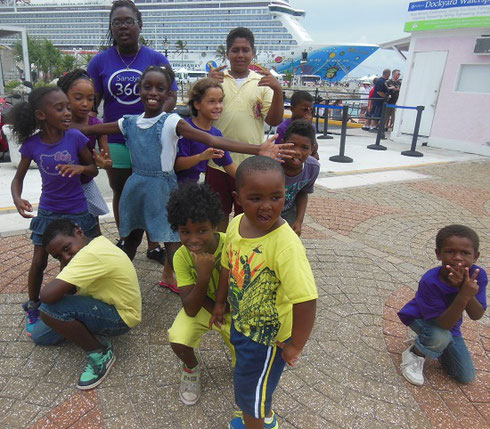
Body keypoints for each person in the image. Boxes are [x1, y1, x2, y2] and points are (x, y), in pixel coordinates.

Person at [81, 66, 293, 293]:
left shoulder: (172, 122)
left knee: (173, 238)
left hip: (163, 187)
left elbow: (214, 141)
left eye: (160, 88)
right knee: (130, 238)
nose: (153, 92)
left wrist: (257, 149)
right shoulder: (129, 122)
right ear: (139, 90)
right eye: (147, 87)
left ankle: (183, 284)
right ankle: (117, 282)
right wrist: (60, 126)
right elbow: (94, 129)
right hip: (137, 187)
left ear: (168, 94)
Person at [210, 156, 318, 429]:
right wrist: (220, 303)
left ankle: (256, 419)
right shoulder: (235, 225)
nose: (267, 206)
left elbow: (306, 300)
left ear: (286, 196)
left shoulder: (286, 246)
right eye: (256, 198)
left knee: (249, 394)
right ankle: (263, 415)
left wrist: (296, 346)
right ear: (238, 198)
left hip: (268, 340)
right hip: (242, 325)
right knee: (256, 386)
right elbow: (227, 265)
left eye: (276, 197)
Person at [87, 0, 178, 263]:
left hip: (151, 136)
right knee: (122, 189)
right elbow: (93, 105)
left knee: (153, 190)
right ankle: (125, 235)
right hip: (116, 136)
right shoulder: (99, 61)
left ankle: (154, 243)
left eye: (129, 21)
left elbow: (170, 95)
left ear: (140, 24)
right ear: (111, 27)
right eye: (117, 22)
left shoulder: (156, 58)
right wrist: (94, 139)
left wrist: (156, 121)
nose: (123, 26)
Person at [10, 86, 99, 336]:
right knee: (38, 261)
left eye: (67, 107)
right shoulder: (32, 145)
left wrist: (81, 169)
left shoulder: (75, 138)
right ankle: (34, 305)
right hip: (48, 211)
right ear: (41, 115)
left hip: (76, 211)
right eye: (59, 108)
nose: (67, 112)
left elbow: (92, 169)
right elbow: (17, 179)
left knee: (70, 264)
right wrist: (18, 198)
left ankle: (65, 306)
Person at [31, 219, 141, 390]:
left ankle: (100, 353)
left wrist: (66, 264)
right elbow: (67, 291)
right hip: (102, 304)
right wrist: (66, 262)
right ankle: (78, 326)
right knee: (41, 336)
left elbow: (46, 296)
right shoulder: (92, 246)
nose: (66, 257)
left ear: (79, 232)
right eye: (58, 256)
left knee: (49, 310)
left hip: (121, 316)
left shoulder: (91, 254)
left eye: (66, 248)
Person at [207, 27, 284, 231]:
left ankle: (243, 258)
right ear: (227, 53)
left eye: (245, 50)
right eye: (235, 50)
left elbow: (274, 119)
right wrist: (206, 85)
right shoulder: (216, 80)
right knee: (216, 218)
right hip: (217, 162)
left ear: (253, 53)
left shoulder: (263, 82)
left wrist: (278, 91)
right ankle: (217, 259)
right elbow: (200, 115)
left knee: (247, 218)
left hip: (250, 166)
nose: (240, 55)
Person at [167, 182, 235, 406]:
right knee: (177, 338)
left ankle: (242, 363)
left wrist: (224, 309)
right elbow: (190, 308)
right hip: (204, 306)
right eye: (185, 232)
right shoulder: (180, 256)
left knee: (245, 359)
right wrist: (203, 276)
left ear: (215, 225)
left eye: (202, 230)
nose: (193, 240)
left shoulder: (232, 246)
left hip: (233, 310)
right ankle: (191, 368)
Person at [398, 225, 487, 386]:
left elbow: (477, 315)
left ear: (476, 256)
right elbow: (443, 324)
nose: (458, 258)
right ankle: (415, 354)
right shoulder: (430, 281)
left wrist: (466, 291)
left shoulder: (478, 276)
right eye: (450, 252)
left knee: (465, 376)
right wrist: (463, 293)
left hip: (450, 324)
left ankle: (429, 343)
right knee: (440, 336)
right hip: (421, 318)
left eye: (465, 253)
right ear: (438, 254)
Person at [57, 69, 111, 236]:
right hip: (61, 185)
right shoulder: (57, 122)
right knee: (65, 228)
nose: (85, 104)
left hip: (85, 183)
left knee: (92, 226)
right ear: (64, 96)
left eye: (90, 99)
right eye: (78, 98)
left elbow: (106, 157)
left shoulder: (97, 124)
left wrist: (105, 162)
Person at [174, 78, 237, 184]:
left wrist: (252, 182)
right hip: (173, 188)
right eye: (212, 101)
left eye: (220, 101)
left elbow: (229, 165)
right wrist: (201, 157)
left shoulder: (216, 134)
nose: (218, 106)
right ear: (197, 104)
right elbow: (177, 165)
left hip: (191, 189)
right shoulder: (185, 129)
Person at [281, 120, 319, 237]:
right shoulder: (271, 165)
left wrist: (299, 221)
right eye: (292, 146)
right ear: (283, 143)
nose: (297, 152)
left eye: (304, 147)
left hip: (289, 212)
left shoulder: (312, 168)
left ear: (312, 149)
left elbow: (303, 192)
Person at [275, 90, 319, 160]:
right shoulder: (283, 127)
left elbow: (313, 149)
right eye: (304, 110)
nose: (308, 114)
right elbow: (278, 151)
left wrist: (308, 126)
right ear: (292, 109)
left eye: (310, 110)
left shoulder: (311, 127)